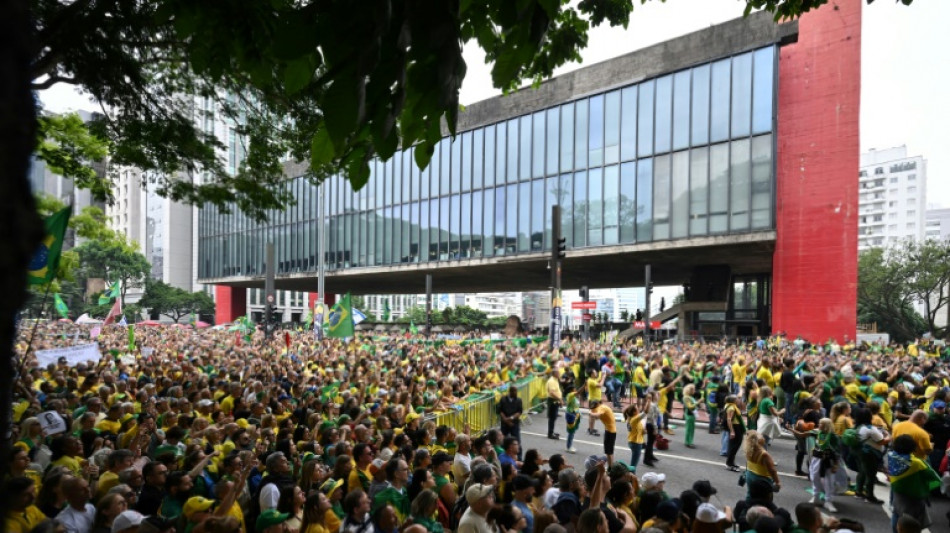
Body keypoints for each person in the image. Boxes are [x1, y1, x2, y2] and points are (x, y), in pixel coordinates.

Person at [886, 434, 941, 532]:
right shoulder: (917, 463)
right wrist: (927, 488)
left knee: (897, 513)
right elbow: (935, 479)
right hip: (914, 496)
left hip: (897, 492)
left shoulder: (891, 456)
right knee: (913, 521)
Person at [853, 407, 888, 504]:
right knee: (871, 475)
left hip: (859, 452)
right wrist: (889, 436)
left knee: (862, 472)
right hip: (870, 454)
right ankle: (870, 496)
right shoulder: (870, 429)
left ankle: (858, 491)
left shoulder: (857, 427)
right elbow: (882, 441)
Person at [808, 418, 840, 513]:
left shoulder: (833, 436)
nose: (819, 425)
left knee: (828, 480)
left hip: (828, 460)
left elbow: (837, 451)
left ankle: (828, 501)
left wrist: (836, 464)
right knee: (814, 477)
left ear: (826, 425)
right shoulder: (819, 433)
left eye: (821, 423)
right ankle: (816, 496)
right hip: (816, 458)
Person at [743, 431, 780, 498]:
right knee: (765, 498)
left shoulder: (749, 449)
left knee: (751, 495)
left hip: (750, 475)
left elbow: (747, 463)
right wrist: (777, 482)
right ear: (758, 440)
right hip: (762, 478)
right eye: (762, 436)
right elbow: (772, 470)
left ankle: (748, 506)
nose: (764, 438)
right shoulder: (764, 454)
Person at [588, 400, 617, 466]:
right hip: (608, 430)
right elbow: (597, 417)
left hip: (611, 432)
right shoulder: (601, 407)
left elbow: (598, 415)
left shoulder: (602, 408)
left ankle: (610, 468)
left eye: (594, 409)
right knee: (608, 452)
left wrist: (590, 413)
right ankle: (610, 466)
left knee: (609, 452)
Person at [499, 384, 524, 459]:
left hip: (514, 424)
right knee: (502, 441)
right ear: (510, 391)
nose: (516, 392)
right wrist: (506, 420)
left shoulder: (519, 400)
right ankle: (502, 456)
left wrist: (511, 418)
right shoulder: (503, 399)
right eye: (514, 391)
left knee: (517, 441)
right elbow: (500, 411)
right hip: (504, 424)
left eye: (516, 391)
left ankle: (519, 458)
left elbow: (519, 411)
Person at [723, 395, 745, 472]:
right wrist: (732, 431)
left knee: (734, 445)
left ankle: (731, 462)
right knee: (734, 446)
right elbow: (729, 419)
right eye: (737, 399)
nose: (738, 400)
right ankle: (729, 464)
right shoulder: (731, 408)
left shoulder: (731, 406)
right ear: (733, 401)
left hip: (737, 426)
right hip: (735, 427)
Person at [546, 368, 563, 440]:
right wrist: (559, 399)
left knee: (554, 417)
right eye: (558, 373)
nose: (559, 374)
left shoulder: (555, 380)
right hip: (552, 400)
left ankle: (551, 431)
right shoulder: (552, 381)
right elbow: (552, 392)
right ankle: (550, 433)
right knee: (552, 418)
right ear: (555, 374)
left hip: (555, 401)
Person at [564, 390, 581, 454]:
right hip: (570, 415)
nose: (576, 391)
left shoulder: (574, 397)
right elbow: (579, 392)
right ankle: (568, 447)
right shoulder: (570, 395)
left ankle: (569, 446)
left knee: (572, 432)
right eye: (574, 389)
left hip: (574, 415)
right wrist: (584, 385)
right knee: (571, 432)